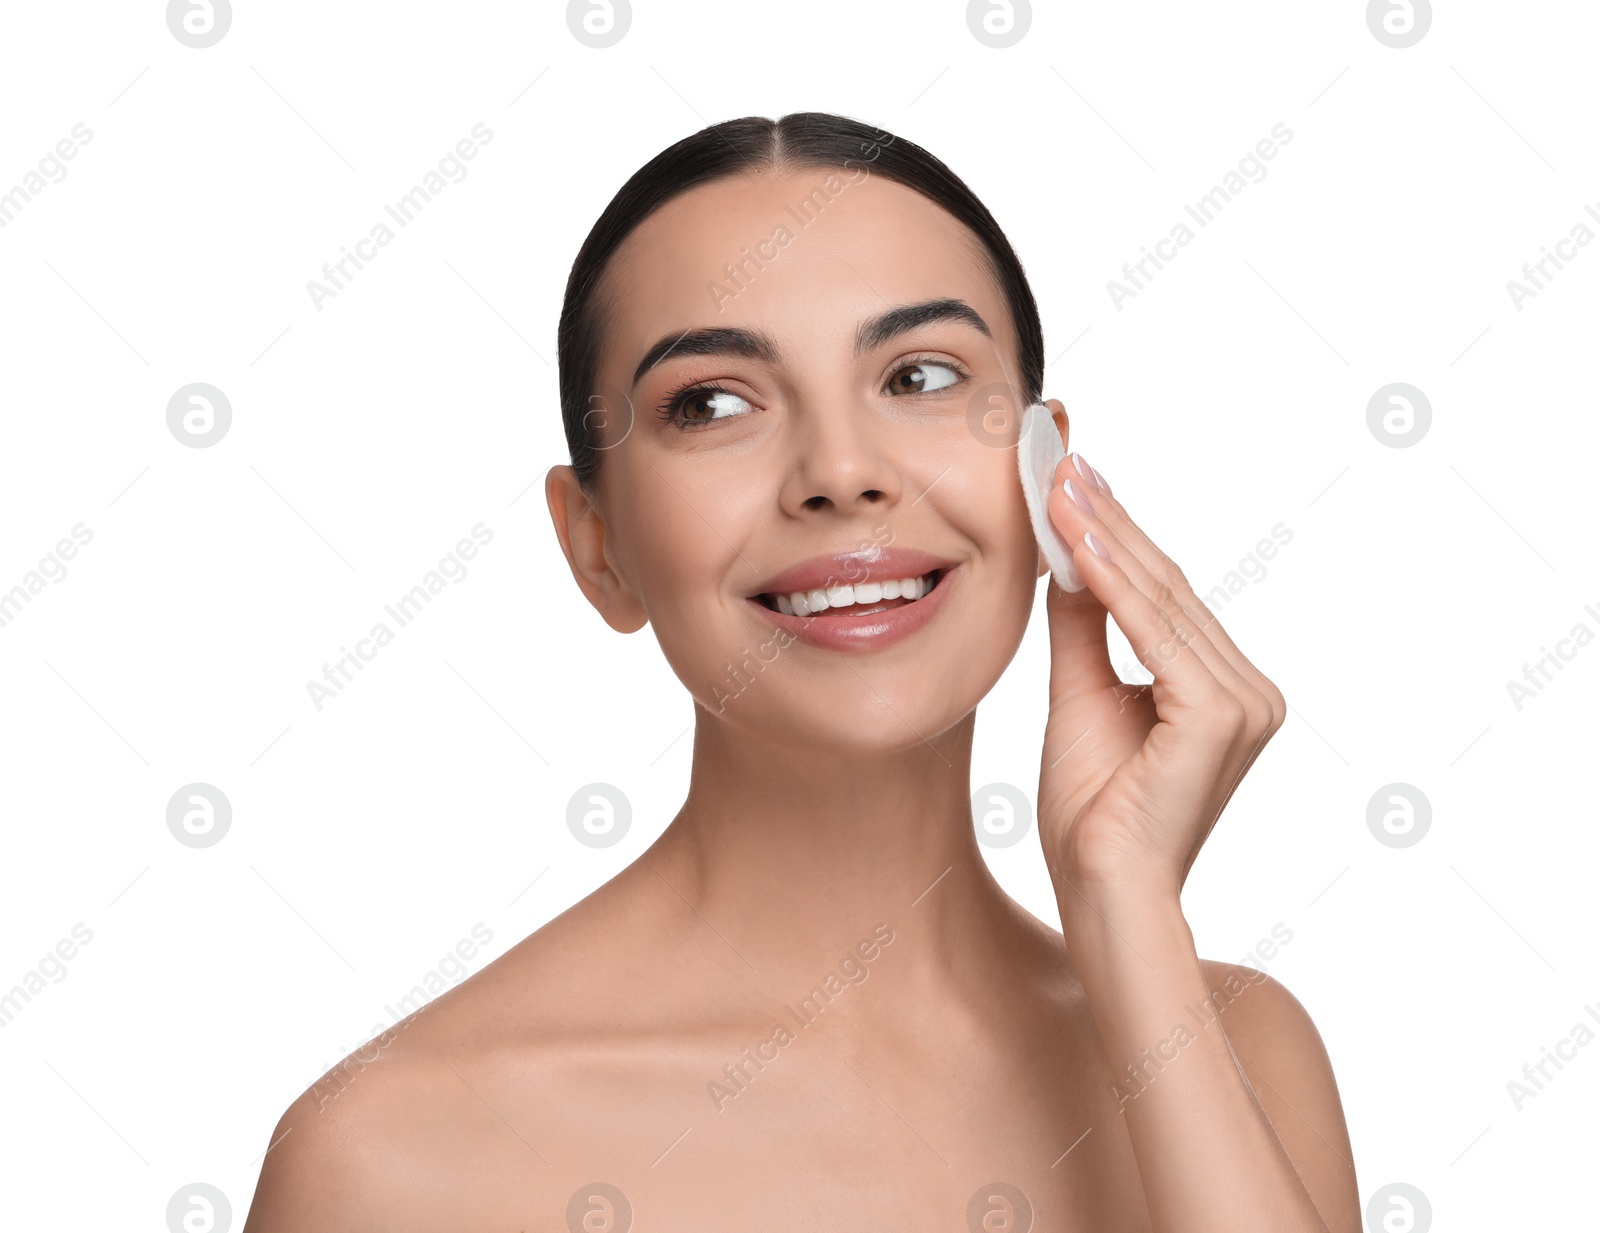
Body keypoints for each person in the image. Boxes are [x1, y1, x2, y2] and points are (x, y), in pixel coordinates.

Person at [244, 111, 1359, 1232]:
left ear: (1047, 475)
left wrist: (1127, 915)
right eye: (713, 403)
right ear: (597, 547)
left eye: (919, 375)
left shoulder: (1237, 1049)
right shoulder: (391, 1156)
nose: (839, 471)